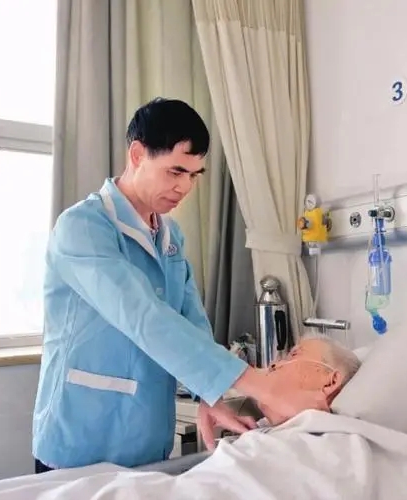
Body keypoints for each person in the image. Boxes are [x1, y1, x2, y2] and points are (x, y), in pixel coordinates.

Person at [32, 97, 327, 473]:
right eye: (175, 171)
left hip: (147, 439)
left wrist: (211, 394)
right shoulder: (83, 228)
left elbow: (192, 319)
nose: (185, 186)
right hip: (81, 437)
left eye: (194, 175)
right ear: (137, 155)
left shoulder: (169, 236)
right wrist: (263, 386)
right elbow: (143, 316)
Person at [199, 334, 362, 443]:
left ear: (330, 382)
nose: (274, 364)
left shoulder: (323, 451)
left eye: (294, 354)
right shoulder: (259, 442)